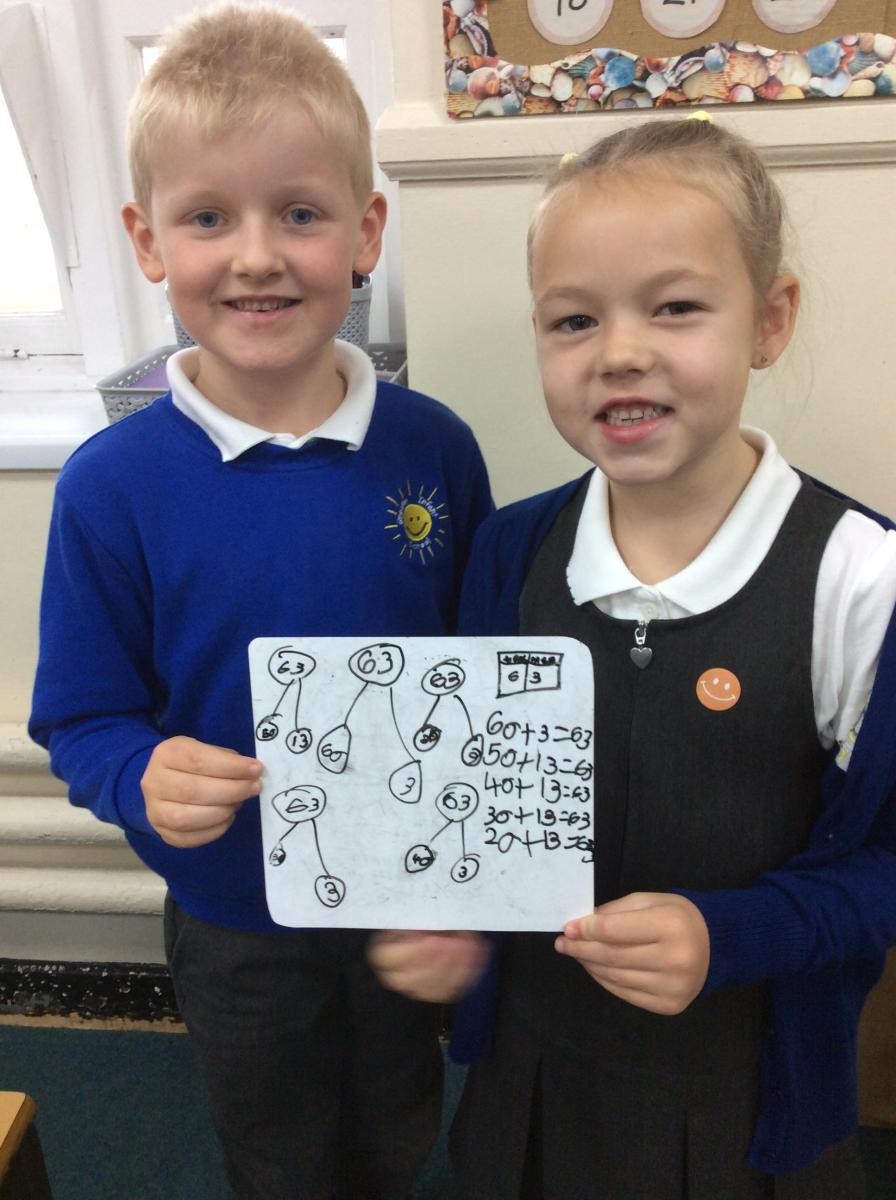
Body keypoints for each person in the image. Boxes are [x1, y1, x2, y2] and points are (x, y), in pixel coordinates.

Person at [369, 116, 896, 1199]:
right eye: (573, 319)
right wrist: (443, 909)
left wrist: (732, 931)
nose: (617, 352)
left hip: (746, 1096)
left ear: (769, 319)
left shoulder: (858, 577)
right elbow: (476, 794)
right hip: (534, 1077)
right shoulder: (510, 552)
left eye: (675, 307)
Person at [29, 5, 492, 1198]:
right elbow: (80, 718)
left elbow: (481, 671)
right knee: (276, 1153)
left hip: (403, 886)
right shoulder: (110, 487)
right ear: (146, 241)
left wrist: (470, 877)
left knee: (397, 1128)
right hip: (233, 915)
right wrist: (140, 773)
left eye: (297, 212)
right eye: (206, 218)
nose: (255, 256)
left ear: (364, 230)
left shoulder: (434, 448)